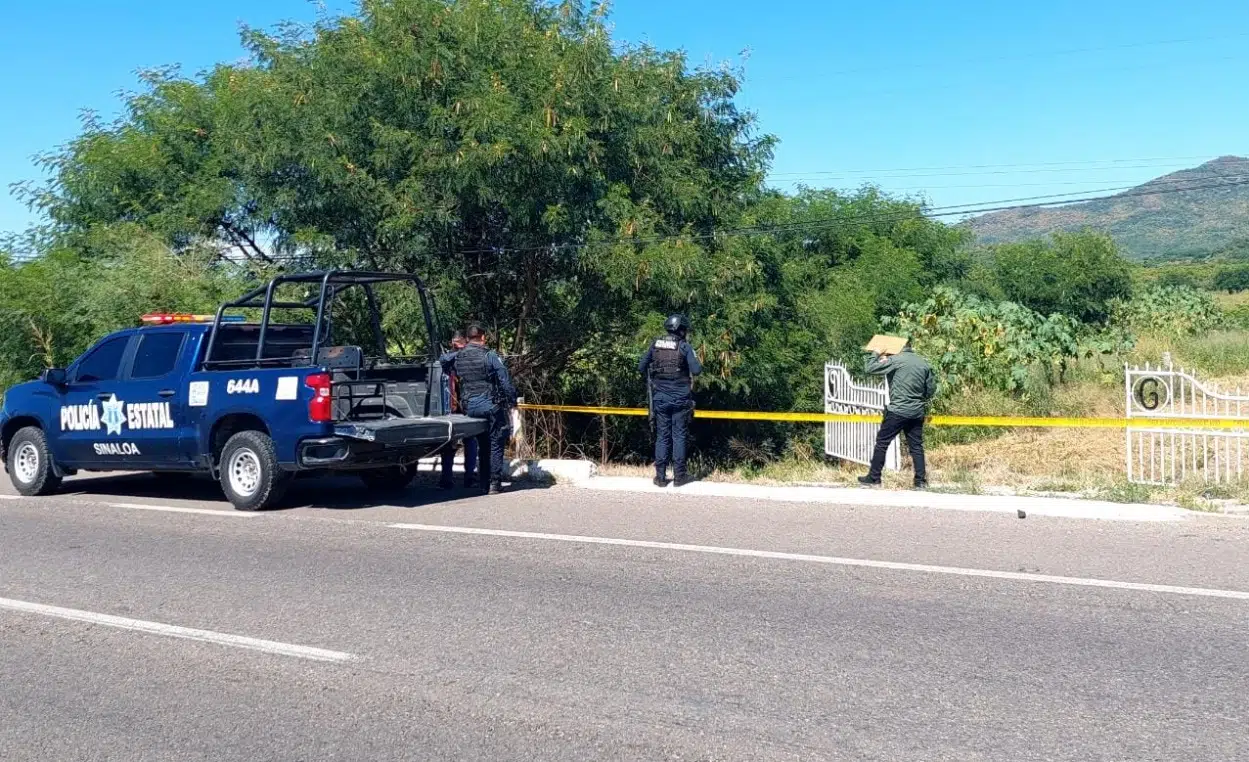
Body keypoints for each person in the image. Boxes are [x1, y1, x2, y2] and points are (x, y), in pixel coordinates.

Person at [444, 324, 517, 495]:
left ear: (467, 338)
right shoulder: (489, 355)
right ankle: (494, 483)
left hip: (470, 408)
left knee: (483, 445)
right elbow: (504, 380)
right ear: (483, 338)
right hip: (490, 405)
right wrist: (512, 400)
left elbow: (443, 362)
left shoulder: (458, 356)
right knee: (496, 443)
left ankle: (483, 483)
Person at [858, 340, 937, 489]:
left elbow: (869, 368)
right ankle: (920, 481)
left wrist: (876, 353)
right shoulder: (923, 363)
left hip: (898, 411)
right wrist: (917, 400)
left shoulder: (896, 360)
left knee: (882, 443)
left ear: (898, 348)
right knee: (916, 446)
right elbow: (931, 389)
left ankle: (874, 478)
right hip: (916, 412)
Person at [639, 314, 702, 488]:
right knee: (679, 435)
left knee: (662, 436)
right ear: (681, 330)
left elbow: (641, 367)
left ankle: (660, 477)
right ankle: (680, 477)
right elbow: (696, 370)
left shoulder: (655, 345)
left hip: (660, 398)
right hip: (680, 399)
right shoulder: (684, 347)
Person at [438, 330, 479, 490]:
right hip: (451, 408)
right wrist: (460, 352)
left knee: (471, 442)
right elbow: (443, 360)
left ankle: (470, 476)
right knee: (448, 445)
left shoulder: (470, 358)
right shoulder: (450, 358)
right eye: (457, 345)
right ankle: (446, 479)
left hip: (467, 407)